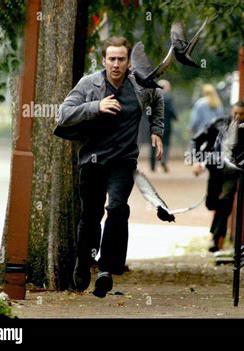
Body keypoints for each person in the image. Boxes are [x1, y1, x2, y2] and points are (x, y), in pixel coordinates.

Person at [55, 37, 164, 298]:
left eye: (121, 59)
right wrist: (96, 106)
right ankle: (84, 260)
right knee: (90, 216)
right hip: (92, 160)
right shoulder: (89, 84)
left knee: (117, 208)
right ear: (104, 60)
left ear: (128, 63)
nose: (116, 64)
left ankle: (106, 269)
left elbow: (158, 98)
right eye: (111, 59)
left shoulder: (140, 85)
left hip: (123, 161)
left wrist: (156, 131)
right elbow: (63, 113)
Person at [192, 101, 244, 252]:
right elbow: (197, 140)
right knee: (212, 203)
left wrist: (242, 164)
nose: (237, 116)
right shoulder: (217, 124)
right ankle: (216, 234)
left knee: (226, 200)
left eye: (241, 114)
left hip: (233, 172)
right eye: (235, 113)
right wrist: (197, 161)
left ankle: (216, 239)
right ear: (231, 112)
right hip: (215, 169)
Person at [150, 79, 177, 172]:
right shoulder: (169, 97)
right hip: (166, 125)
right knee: (165, 143)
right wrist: (176, 118)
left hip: (154, 125)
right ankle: (163, 160)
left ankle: (153, 166)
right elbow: (171, 110)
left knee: (154, 144)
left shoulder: (153, 97)